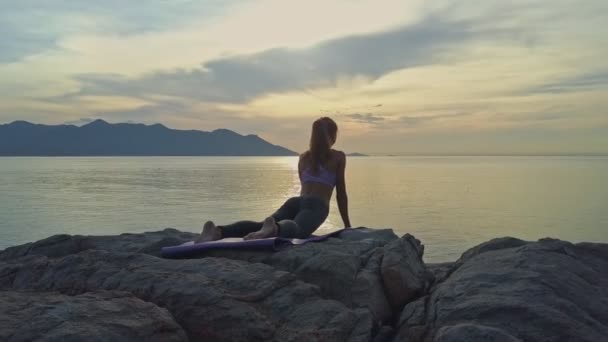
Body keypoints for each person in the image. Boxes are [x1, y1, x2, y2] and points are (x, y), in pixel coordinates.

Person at [195, 117, 351, 243]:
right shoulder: (338, 157)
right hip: (317, 205)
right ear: (332, 136)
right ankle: (275, 229)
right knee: (297, 229)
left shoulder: (303, 158)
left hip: (295, 202)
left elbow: (305, 187)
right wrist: (347, 226)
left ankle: (218, 231)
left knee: (260, 225)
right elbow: (341, 194)